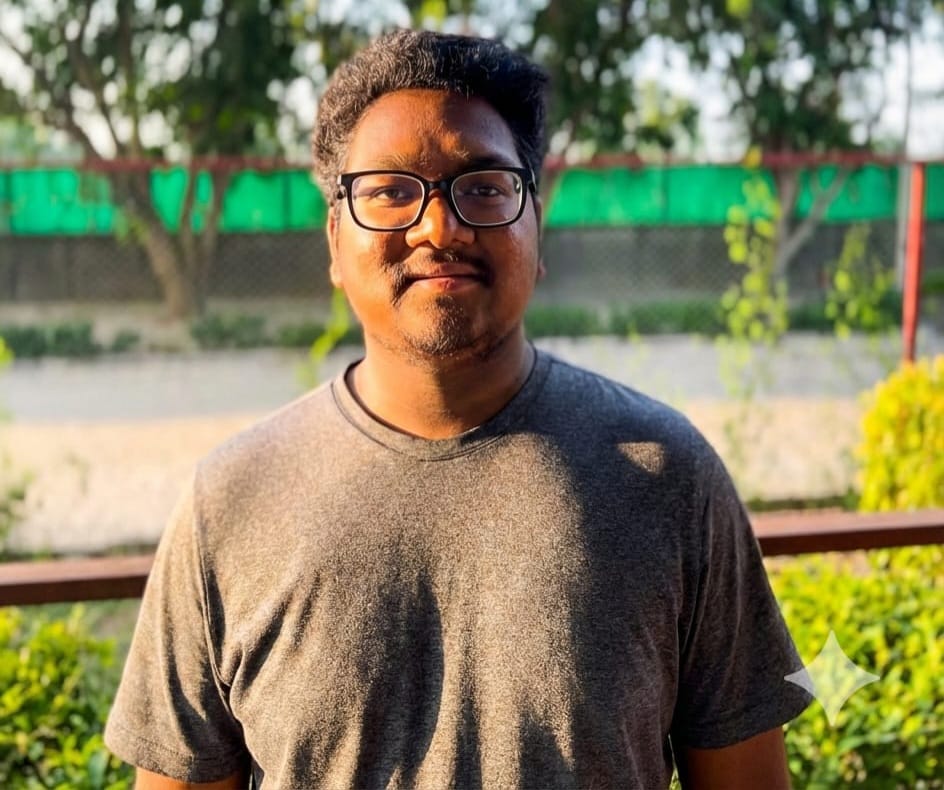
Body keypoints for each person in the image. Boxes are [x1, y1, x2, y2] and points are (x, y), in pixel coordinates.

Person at [105, 29, 811, 789]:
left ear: (537, 225)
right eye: (390, 191)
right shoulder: (231, 501)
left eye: (483, 187)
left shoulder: (667, 475)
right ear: (335, 241)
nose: (438, 228)